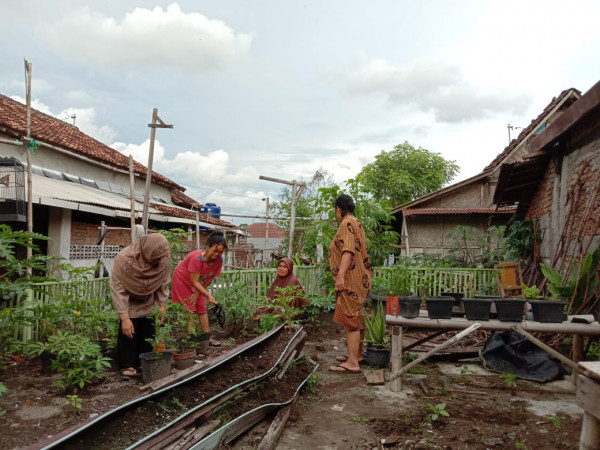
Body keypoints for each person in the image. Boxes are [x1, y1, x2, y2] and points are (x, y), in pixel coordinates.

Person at [110, 233, 171, 378]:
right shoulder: (124, 260)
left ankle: (142, 362)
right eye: (155, 257)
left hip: (148, 299)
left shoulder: (163, 258)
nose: (159, 260)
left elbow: (163, 281)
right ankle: (127, 364)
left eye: (160, 257)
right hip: (128, 300)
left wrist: (162, 306)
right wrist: (124, 317)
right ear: (147, 251)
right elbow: (118, 289)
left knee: (147, 331)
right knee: (129, 332)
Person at [328, 194, 372, 373]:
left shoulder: (346, 224)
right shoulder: (357, 224)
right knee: (357, 318)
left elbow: (347, 250)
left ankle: (352, 363)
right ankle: (358, 355)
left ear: (338, 209)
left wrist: (341, 276)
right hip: (361, 278)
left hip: (351, 280)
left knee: (350, 320)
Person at [171, 230, 227, 346]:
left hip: (198, 284)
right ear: (208, 246)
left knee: (201, 307)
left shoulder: (219, 261)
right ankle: (191, 339)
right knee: (189, 307)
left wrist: (199, 293)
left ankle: (207, 338)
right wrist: (209, 295)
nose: (216, 254)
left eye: (220, 253)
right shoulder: (196, 258)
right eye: (215, 251)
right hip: (182, 279)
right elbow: (194, 281)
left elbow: (210, 278)